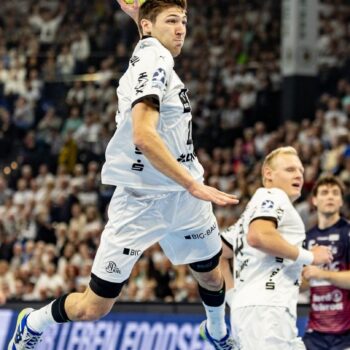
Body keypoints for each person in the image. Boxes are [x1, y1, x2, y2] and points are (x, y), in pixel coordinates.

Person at [8, 1, 239, 349]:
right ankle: (33, 321)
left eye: (184, 21)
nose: (181, 29)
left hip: (182, 196)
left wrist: (143, 15)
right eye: (172, 21)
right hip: (142, 199)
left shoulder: (153, 52)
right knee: (92, 308)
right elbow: (144, 136)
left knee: (209, 270)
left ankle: (218, 332)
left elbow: (150, 28)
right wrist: (193, 183)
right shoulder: (154, 60)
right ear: (149, 27)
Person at [220, 146, 333, 350]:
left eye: (300, 170)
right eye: (290, 169)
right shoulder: (273, 196)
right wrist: (310, 256)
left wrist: (232, 297)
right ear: (269, 174)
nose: (299, 174)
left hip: (260, 311)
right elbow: (258, 236)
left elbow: (218, 253)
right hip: (268, 313)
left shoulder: (249, 213)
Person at [302, 175, 350, 350]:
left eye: (335, 193)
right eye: (324, 192)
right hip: (315, 332)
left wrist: (321, 274)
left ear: (340, 201)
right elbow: (300, 285)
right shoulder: (306, 238)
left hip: (346, 333)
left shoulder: (347, 233)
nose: (330, 196)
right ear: (314, 200)